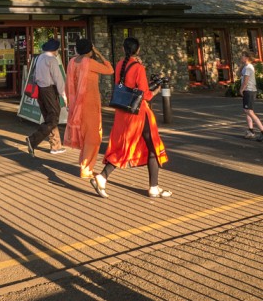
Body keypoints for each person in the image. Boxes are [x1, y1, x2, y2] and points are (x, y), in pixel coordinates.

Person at [91, 37, 171, 198]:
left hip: (123, 112)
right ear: (138, 50)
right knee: (153, 146)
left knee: (124, 146)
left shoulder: (120, 65)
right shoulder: (138, 67)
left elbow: (124, 86)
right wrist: (156, 90)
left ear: (123, 49)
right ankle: (153, 187)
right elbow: (145, 94)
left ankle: (103, 177)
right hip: (139, 113)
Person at [64, 38, 114, 179]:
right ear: (89, 50)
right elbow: (110, 70)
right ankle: (86, 169)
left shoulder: (72, 62)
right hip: (89, 105)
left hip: (77, 105)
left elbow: (68, 84)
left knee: (86, 136)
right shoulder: (89, 63)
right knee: (93, 138)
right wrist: (99, 54)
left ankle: (85, 166)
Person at [25, 38, 68, 156]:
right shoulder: (52, 60)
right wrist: (64, 95)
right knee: (53, 118)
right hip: (49, 90)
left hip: (40, 90)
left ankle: (55, 146)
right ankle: (33, 140)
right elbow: (58, 78)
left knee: (49, 117)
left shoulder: (39, 57)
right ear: (55, 49)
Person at [238, 50, 263, 141]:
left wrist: (241, 89)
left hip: (249, 91)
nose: (241, 57)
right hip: (248, 91)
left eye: (243, 56)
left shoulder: (248, 68)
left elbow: (246, 81)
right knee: (247, 110)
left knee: (249, 111)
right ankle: (251, 130)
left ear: (247, 57)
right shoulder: (246, 67)